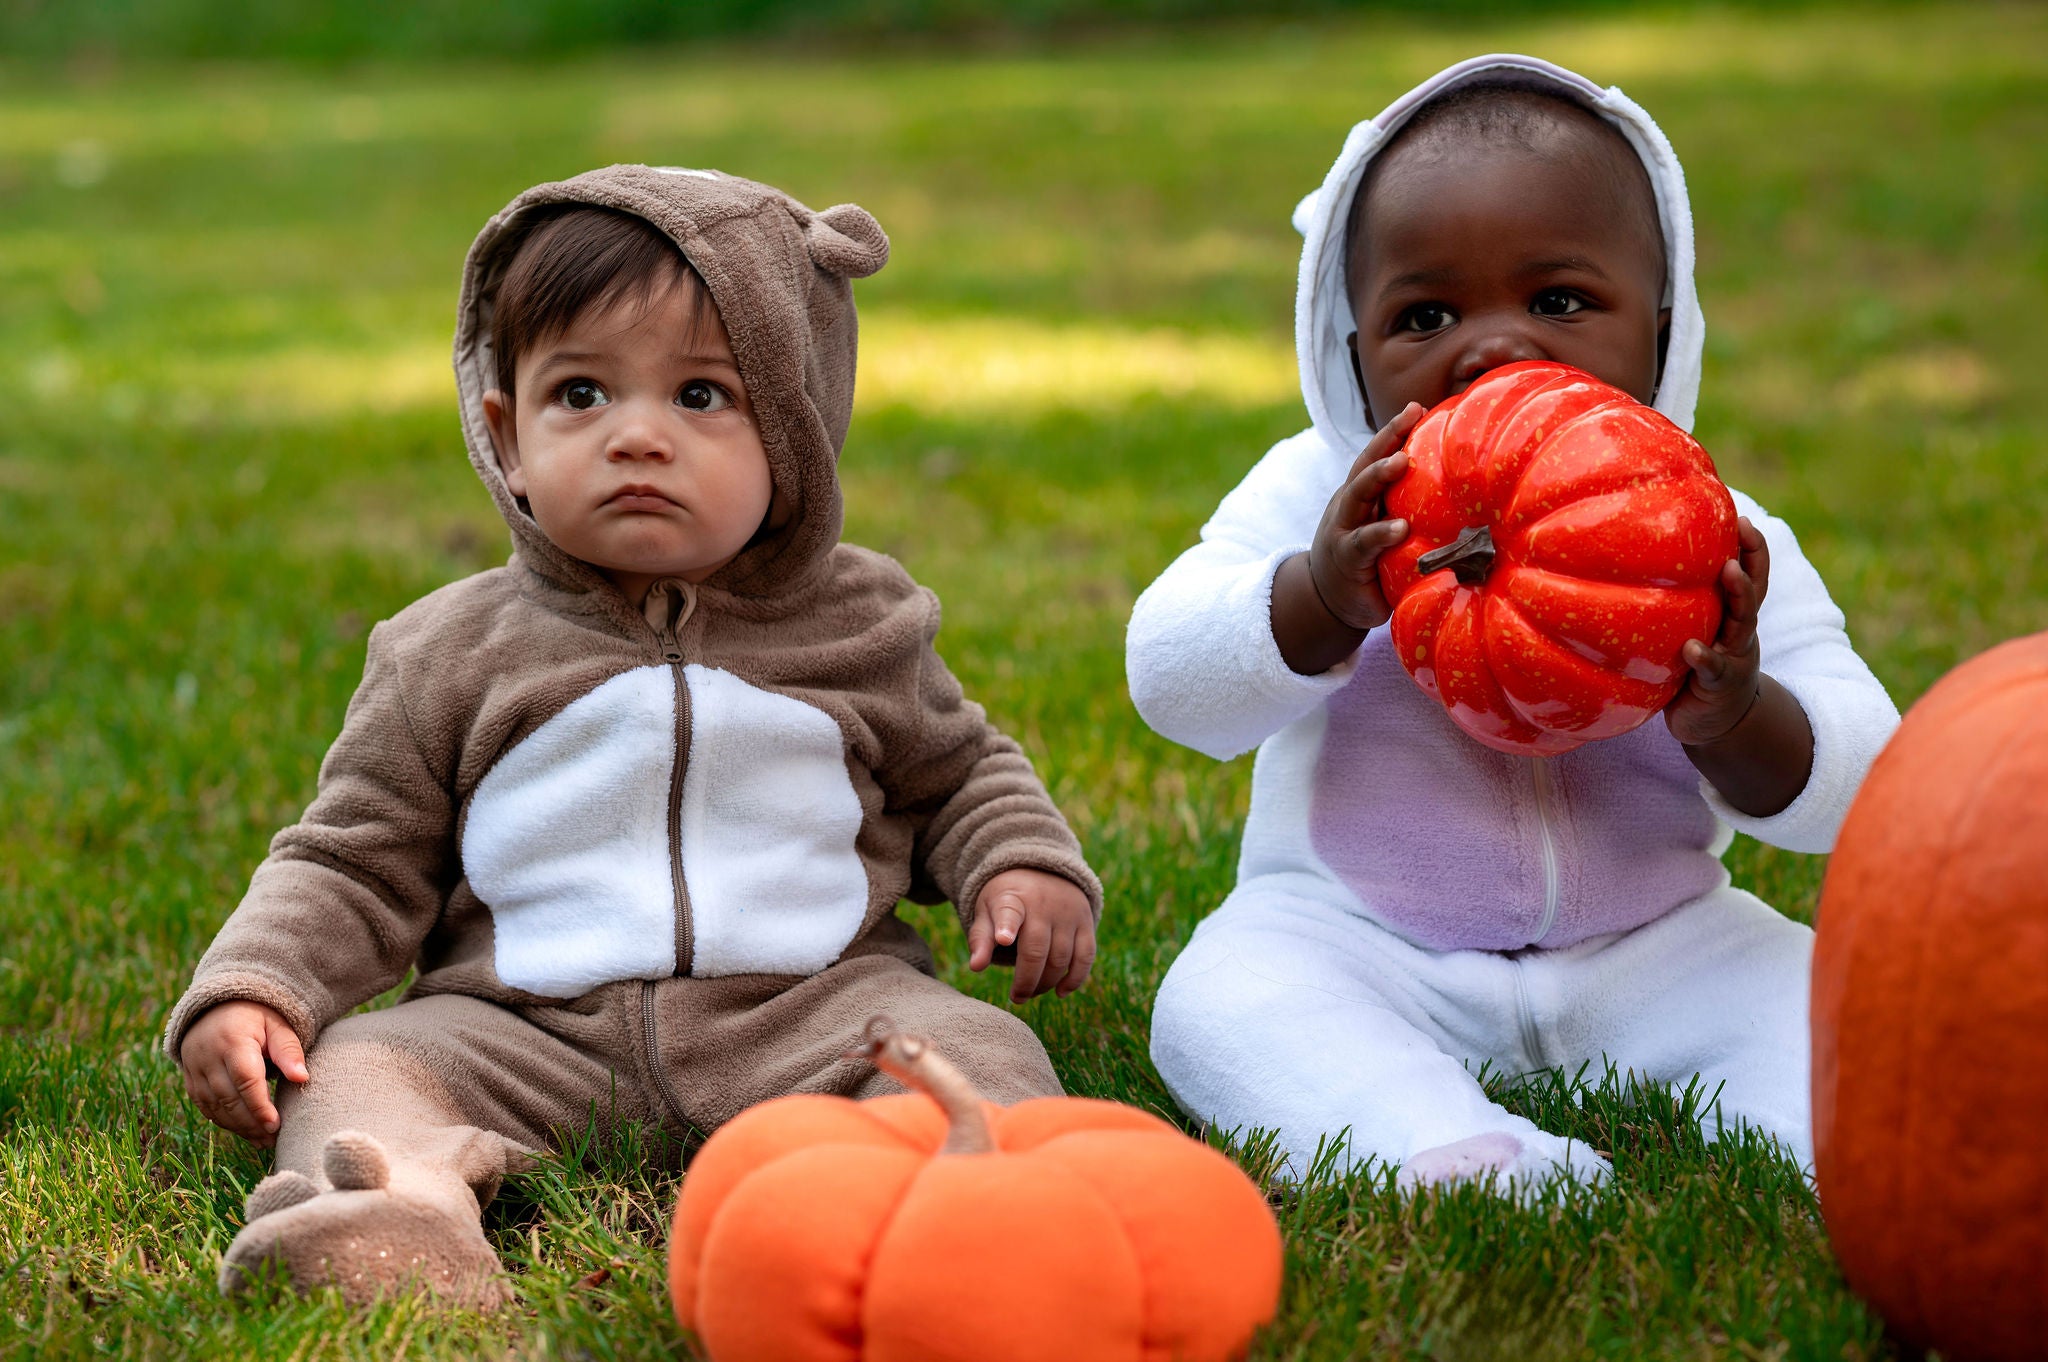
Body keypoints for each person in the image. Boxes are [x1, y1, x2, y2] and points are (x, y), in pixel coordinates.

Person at [166, 165, 1101, 1305]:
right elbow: (351, 855)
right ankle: (393, 1214)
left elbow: (960, 776)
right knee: (365, 1064)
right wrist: (258, 984)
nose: (637, 438)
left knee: (969, 1050)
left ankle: (964, 1209)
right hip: (524, 1034)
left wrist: (1018, 862)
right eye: (581, 395)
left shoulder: (865, 625)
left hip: (811, 1012)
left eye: (700, 397)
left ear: (796, 431)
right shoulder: (448, 650)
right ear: (505, 435)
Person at [1127, 55, 1899, 1190]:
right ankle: (1441, 1146)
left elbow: (1866, 782)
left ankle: (1849, 1142)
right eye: (1423, 314)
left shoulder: (1719, 535)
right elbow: (1166, 675)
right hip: (1359, 941)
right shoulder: (1323, 497)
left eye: (1557, 301)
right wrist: (1317, 598)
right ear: (1352, 357)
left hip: (1658, 948)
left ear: (1659, 332)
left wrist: (1736, 713)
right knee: (1218, 999)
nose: (1491, 345)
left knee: (1836, 1005)